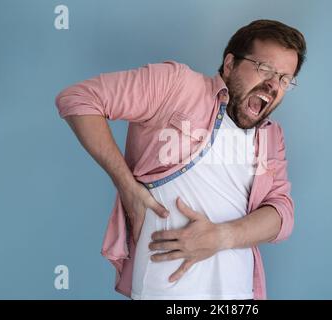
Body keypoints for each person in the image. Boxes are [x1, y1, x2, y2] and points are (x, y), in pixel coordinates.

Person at [55, 19, 306, 300]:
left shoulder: (271, 136)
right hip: (166, 288)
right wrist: (127, 188)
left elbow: (281, 214)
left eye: (285, 79)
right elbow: (78, 99)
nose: (273, 85)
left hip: (240, 290)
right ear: (229, 64)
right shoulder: (176, 84)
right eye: (264, 69)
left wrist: (221, 237)